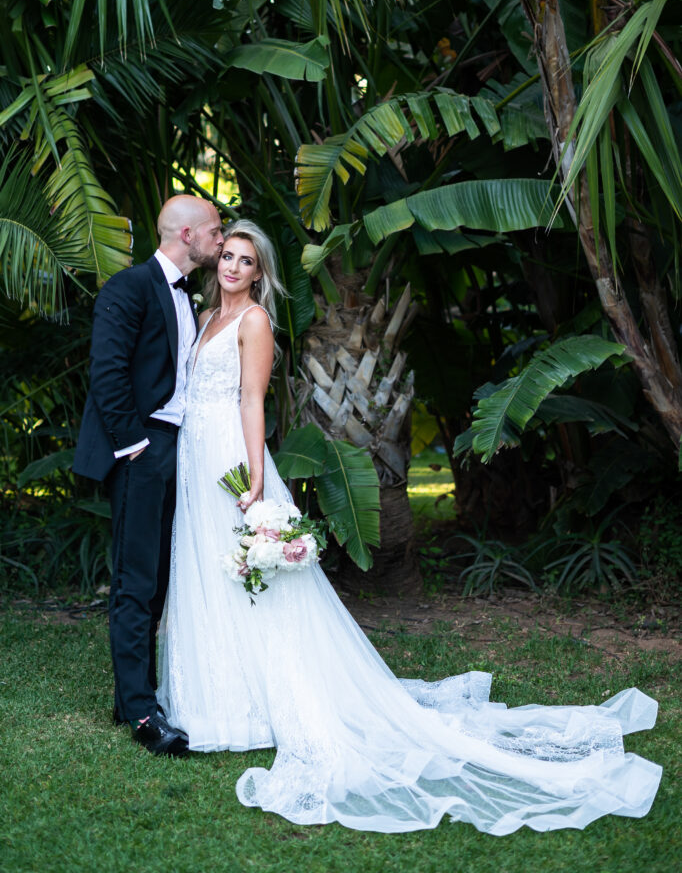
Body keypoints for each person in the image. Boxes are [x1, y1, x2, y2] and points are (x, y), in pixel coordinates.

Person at [157, 219, 662, 833]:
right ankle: (219, 702)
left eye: (245, 260)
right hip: (192, 455)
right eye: (227, 257)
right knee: (209, 571)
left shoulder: (254, 322)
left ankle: (261, 707)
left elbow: (251, 400)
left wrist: (257, 475)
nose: (233, 267)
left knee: (252, 580)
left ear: (260, 271)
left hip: (230, 459)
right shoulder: (207, 315)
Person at [74, 195, 224, 756]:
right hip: (141, 448)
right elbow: (107, 373)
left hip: (175, 449)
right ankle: (141, 713)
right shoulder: (129, 287)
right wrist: (135, 446)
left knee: (159, 575)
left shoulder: (189, 295)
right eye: (214, 228)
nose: (220, 236)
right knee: (136, 581)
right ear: (186, 234)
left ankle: (129, 694)